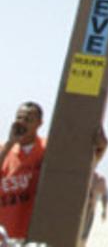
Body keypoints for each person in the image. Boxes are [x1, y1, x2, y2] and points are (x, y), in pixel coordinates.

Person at [0, 102, 45, 239]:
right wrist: (10, 144)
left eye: (28, 120)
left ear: (39, 123)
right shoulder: (4, 149)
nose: (22, 123)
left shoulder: (46, 148)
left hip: (31, 234)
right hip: (5, 235)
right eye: (19, 118)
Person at [83, 126, 108, 245]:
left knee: (82, 239)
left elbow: (104, 195)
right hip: (78, 208)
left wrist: (104, 210)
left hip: (89, 211)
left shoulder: (99, 179)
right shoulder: (83, 173)